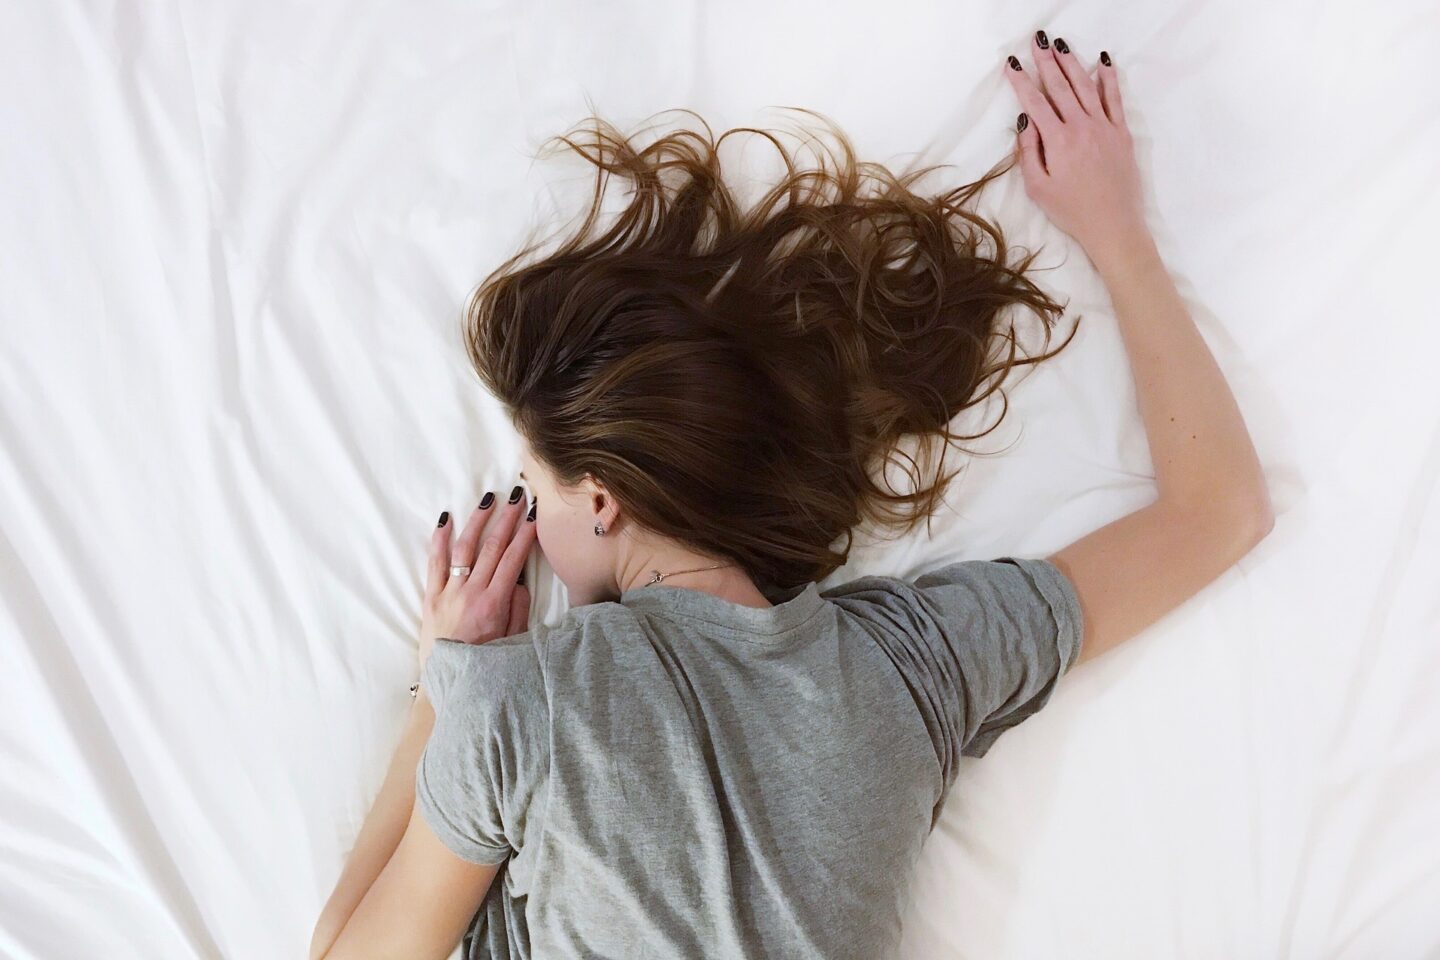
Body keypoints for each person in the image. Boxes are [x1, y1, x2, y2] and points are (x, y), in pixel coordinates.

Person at [311, 30, 1273, 960]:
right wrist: (1118, 236)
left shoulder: (518, 704)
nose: (531, 516)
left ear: (601, 500)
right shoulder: (913, 666)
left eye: (536, 489)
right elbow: (1218, 511)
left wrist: (444, 684)